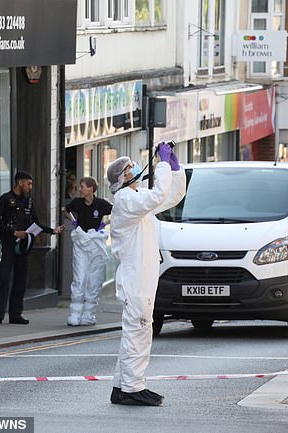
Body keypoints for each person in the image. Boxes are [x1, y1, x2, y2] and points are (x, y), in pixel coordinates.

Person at [106, 142, 186, 406]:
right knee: (138, 330)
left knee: (138, 330)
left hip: (141, 277)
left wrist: (174, 167)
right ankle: (131, 387)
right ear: (123, 178)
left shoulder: (135, 199)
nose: (135, 170)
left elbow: (169, 196)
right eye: (130, 169)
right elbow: (156, 196)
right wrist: (162, 164)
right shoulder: (126, 200)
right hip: (135, 279)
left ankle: (124, 385)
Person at [0, 171, 64, 325]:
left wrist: (52, 231)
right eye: (28, 184)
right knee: (4, 278)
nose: (30, 187)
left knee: (21, 280)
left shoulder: (28, 202)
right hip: (10, 245)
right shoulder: (6, 199)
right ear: (20, 183)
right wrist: (13, 232)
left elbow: (35, 223)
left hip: (23, 246)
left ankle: (16, 314)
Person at [64, 176, 113, 326]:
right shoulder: (77, 203)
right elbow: (65, 210)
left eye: (83, 186)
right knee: (80, 278)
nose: (80, 189)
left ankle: (88, 314)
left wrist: (105, 223)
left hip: (95, 244)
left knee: (94, 279)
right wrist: (73, 221)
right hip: (81, 243)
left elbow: (117, 211)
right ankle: (75, 314)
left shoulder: (101, 204)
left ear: (91, 189)